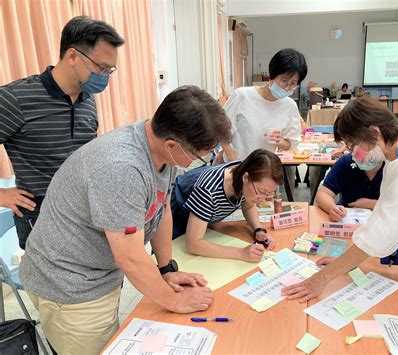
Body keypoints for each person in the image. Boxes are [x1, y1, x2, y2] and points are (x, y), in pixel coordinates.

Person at [20, 86, 232, 354]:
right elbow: (129, 257)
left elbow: (161, 207)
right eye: (202, 154)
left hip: (97, 270)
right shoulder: (121, 168)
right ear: (172, 144)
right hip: (70, 283)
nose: (203, 161)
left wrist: (166, 269)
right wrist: (175, 302)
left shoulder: (160, 148)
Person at [283, 96, 398, 301]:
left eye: (354, 145)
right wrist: (345, 260)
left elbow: (383, 234)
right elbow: (379, 217)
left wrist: (321, 279)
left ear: (375, 133)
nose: (353, 153)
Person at [0, 16, 124, 249]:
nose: (105, 76)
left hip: (85, 212)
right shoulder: (15, 99)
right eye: (101, 67)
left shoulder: (88, 98)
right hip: (41, 218)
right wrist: (1, 195)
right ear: (73, 56)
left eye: (111, 69)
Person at [221, 48, 307, 198]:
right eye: (284, 81)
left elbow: (291, 142)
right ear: (272, 75)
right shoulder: (242, 96)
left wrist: (279, 141)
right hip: (233, 169)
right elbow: (222, 134)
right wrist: (237, 166)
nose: (287, 88)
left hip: (263, 176)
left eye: (293, 84)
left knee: (258, 217)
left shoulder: (289, 106)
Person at [171, 149, 283, 262]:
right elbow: (193, 244)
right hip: (177, 214)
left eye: (268, 193)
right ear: (245, 178)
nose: (263, 199)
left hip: (202, 219)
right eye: (261, 192)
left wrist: (258, 229)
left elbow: (248, 206)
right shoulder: (208, 189)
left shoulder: (245, 175)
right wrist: (241, 253)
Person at [315, 152, 384, 221]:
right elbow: (323, 193)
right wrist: (332, 208)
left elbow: (394, 206)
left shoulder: (391, 165)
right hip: (346, 216)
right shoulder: (346, 162)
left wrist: (371, 204)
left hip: (384, 220)